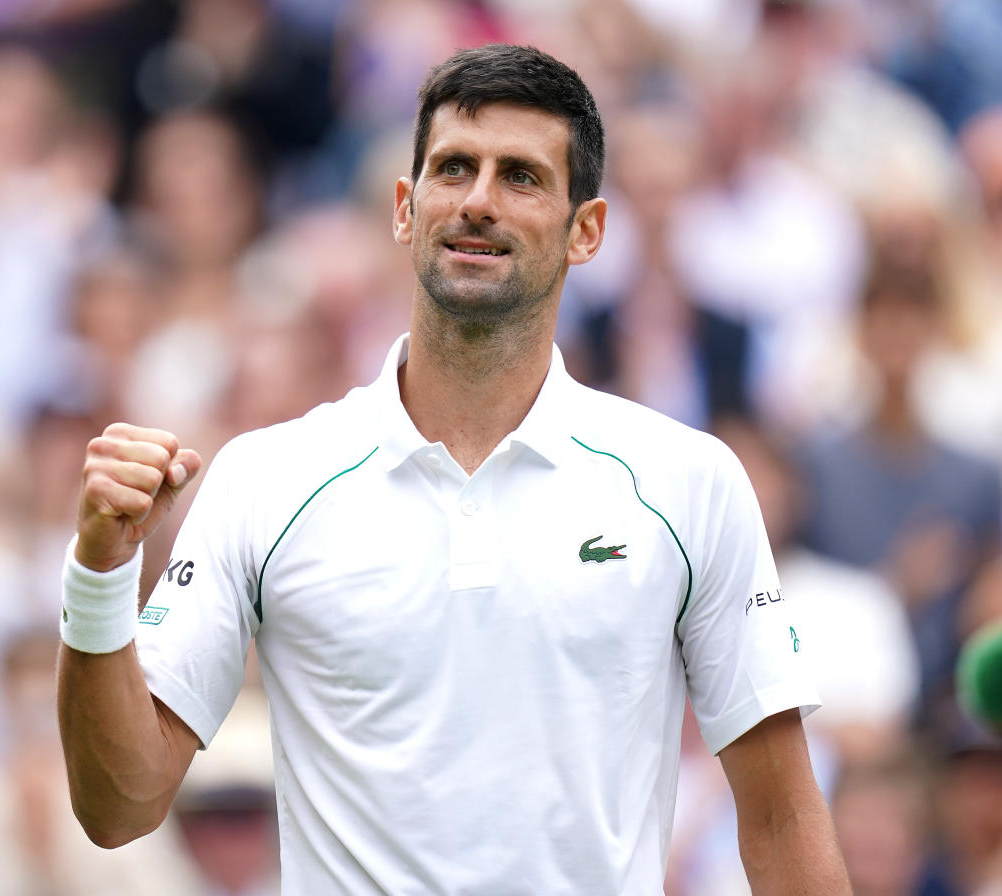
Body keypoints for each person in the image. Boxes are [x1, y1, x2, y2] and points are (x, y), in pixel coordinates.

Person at [57, 44, 852, 894]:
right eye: (454, 169)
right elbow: (120, 806)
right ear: (406, 208)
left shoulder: (690, 481)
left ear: (587, 230)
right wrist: (101, 572)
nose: (478, 200)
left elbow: (780, 819)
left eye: (521, 177)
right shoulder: (266, 478)